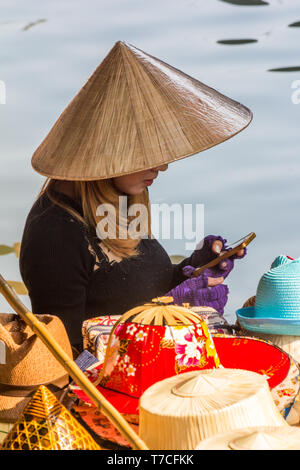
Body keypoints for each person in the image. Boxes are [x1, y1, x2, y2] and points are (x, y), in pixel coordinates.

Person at [19, 41, 252, 350]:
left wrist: (192, 271)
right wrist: (171, 308)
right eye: (148, 155)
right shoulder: (55, 233)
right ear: (110, 153)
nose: (163, 166)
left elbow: (127, 287)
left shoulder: (115, 200)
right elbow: (65, 358)